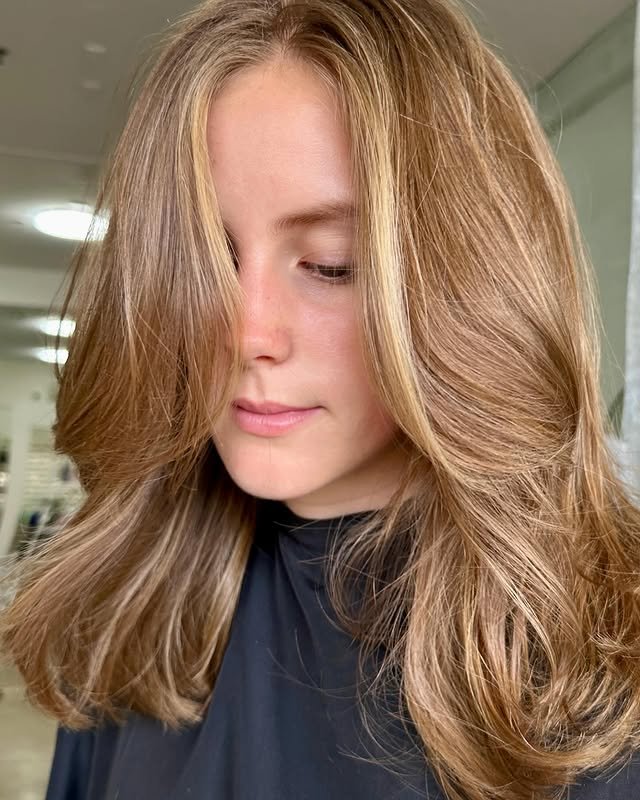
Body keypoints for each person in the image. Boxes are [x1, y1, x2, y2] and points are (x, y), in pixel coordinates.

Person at [2, 0, 640, 798]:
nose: (245, 332)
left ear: (470, 285)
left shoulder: (598, 672)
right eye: (207, 261)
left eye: (332, 264)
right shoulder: (128, 606)